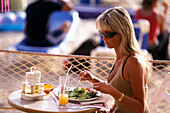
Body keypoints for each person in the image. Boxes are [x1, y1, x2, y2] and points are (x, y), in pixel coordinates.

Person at [79, 7, 150, 113]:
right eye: (102, 33)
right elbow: (121, 93)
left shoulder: (134, 62)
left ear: (122, 33)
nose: (103, 38)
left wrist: (113, 92)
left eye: (108, 34)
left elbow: (140, 107)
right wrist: (94, 80)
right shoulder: (121, 57)